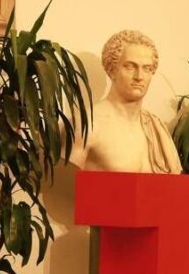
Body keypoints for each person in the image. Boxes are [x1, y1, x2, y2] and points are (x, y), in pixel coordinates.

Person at [70, 30, 182, 174]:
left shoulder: (158, 130)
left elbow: (175, 184)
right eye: (130, 66)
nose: (139, 76)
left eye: (147, 68)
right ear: (112, 70)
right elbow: (64, 185)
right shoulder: (87, 124)